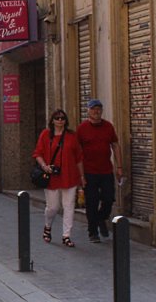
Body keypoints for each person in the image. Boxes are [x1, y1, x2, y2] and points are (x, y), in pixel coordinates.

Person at [33, 109, 84, 247]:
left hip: (70, 176)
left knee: (69, 207)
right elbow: (38, 153)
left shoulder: (72, 136)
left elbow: (79, 158)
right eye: (57, 118)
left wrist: (82, 177)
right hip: (52, 177)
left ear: (66, 121)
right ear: (52, 120)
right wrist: (44, 166)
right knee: (53, 207)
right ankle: (48, 226)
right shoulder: (45, 135)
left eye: (62, 118)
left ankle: (66, 235)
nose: (60, 120)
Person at [77, 99, 123, 243]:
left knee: (108, 199)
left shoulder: (108, 127)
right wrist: (80, 175)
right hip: (89, 172)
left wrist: (119, 167)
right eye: (93, 109)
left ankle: (101, 218)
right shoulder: (82, 128)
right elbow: (77, 153)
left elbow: (115, 145)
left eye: (99, 109)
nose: (96, 111)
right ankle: (93, 232)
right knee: (92, 202)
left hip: (106, 170)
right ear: (88, 111)